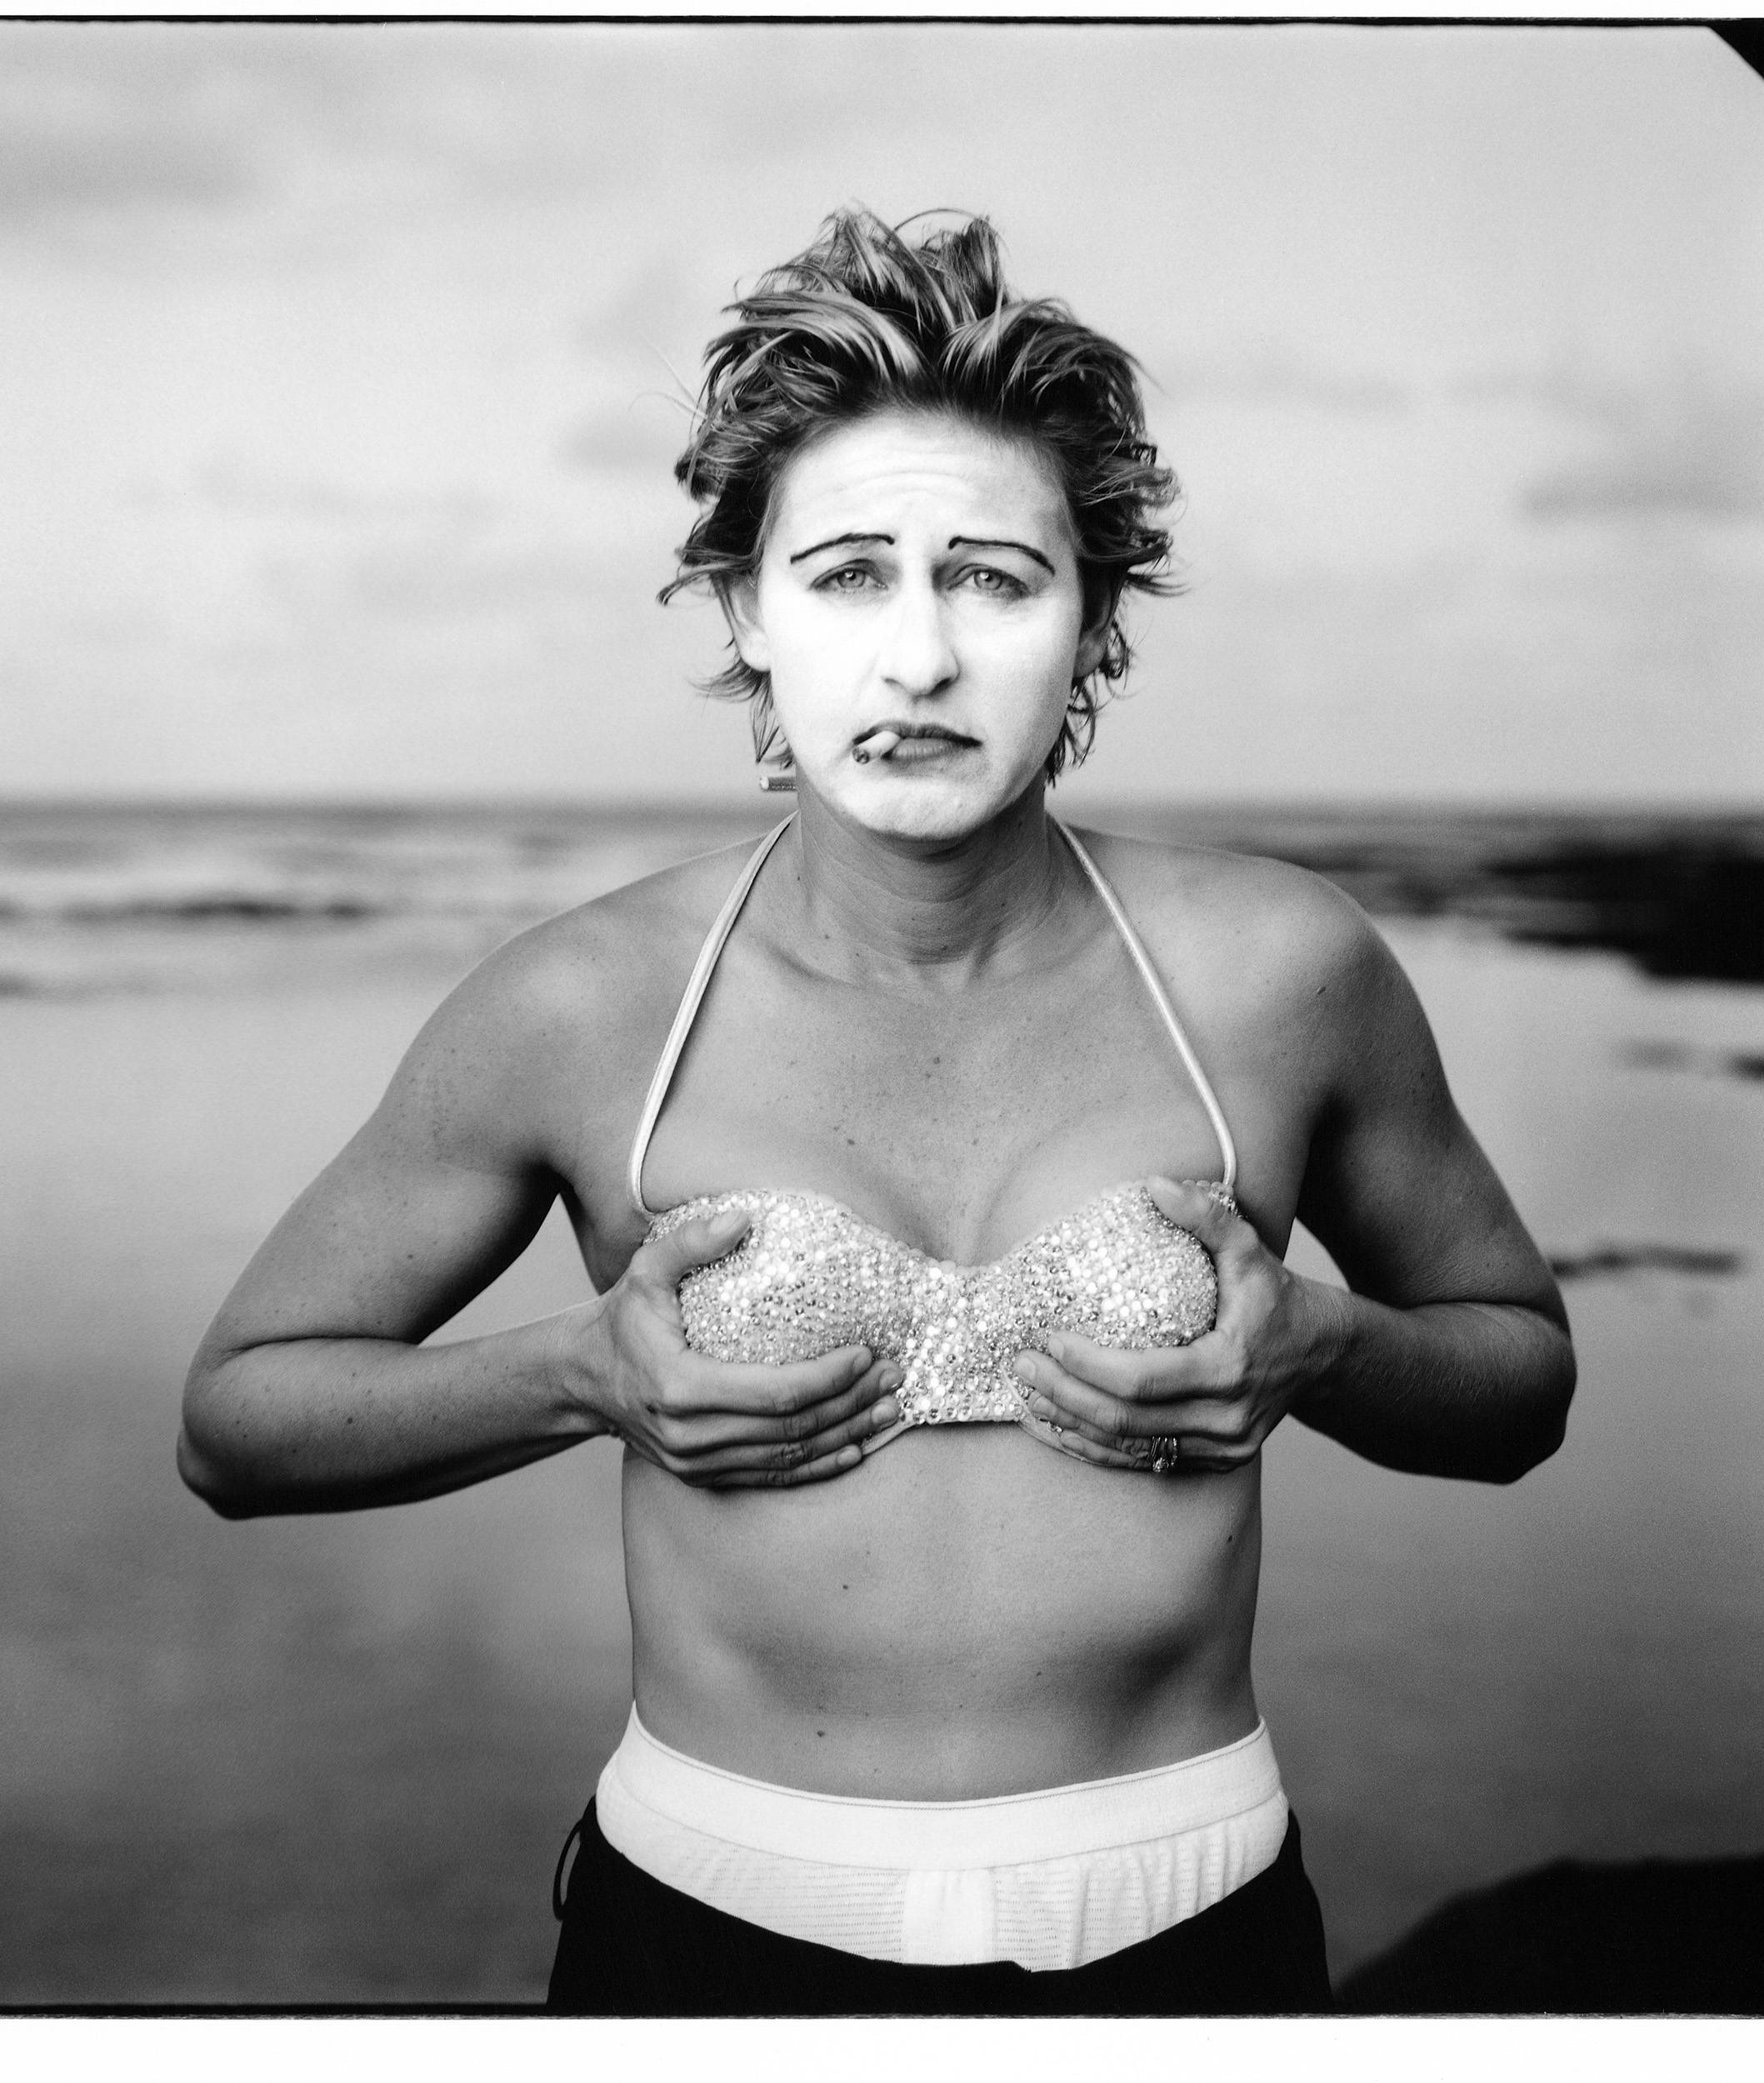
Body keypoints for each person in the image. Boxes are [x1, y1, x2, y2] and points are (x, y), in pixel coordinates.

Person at [178, 208, 1576, 2016]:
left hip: (1191, 1930)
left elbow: (1520, 1380)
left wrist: (1320, 1347)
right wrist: (582, 1376)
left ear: (1093, 625)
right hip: (702, 1936)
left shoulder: (1277, 971)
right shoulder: (586, 1006)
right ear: (748, 614)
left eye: (993, 578)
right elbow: (238, 1422)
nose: (918, 657)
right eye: (846, 576)